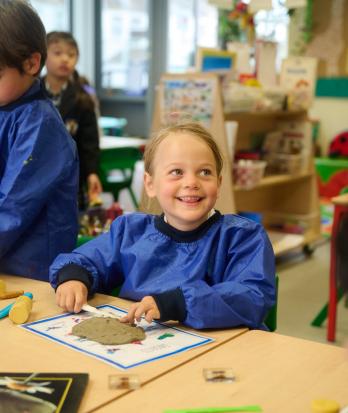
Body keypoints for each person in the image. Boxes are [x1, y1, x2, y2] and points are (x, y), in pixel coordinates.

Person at [50, 122, 276, 329]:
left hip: (220, 355)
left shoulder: (242, 237)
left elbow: (252, 296)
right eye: (177, 172)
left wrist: (177, 303)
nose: (191, 183)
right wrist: (73, 277)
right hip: (145, 353)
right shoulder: (130, 232)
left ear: (218, 182)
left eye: (205, 172)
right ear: (150, 184)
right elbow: (88, 259)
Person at [0, 0, 79, 280]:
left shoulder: (39, 124)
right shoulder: (6, 107)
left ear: (32, 63)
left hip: (31, 268)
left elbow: (13, 207)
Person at [42, 31, 102, 209]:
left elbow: (90, 141)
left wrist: (92, 172)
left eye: (71, 54)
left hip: (71, 174)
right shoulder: (32, 92)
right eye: (57, 53)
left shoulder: (82, 97)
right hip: (38, 171)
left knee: (70, 218)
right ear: (43, 56)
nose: (65, 59)